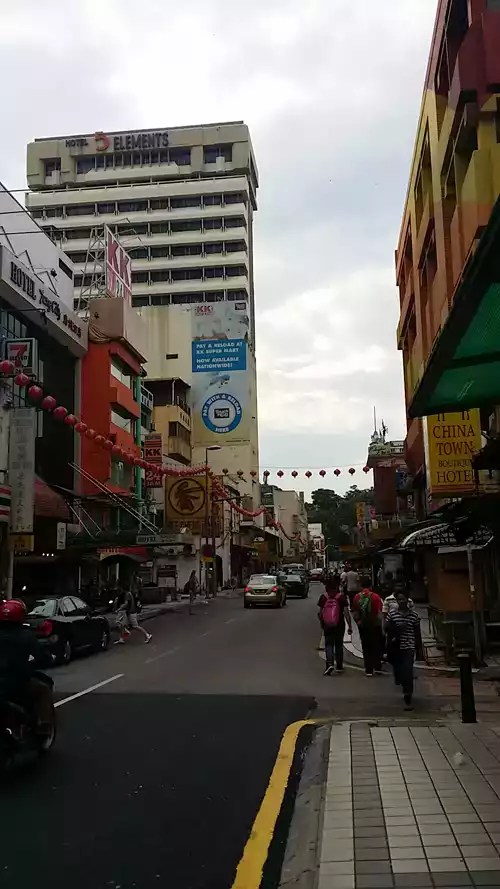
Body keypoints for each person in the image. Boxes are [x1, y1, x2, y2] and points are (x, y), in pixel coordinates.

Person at [0, 598, 54, 730]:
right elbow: (40, 655)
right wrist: (49, 659)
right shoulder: (26, 636)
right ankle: (44, 726)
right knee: (44, 690)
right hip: (16, 682)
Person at [386, 591, 423, 710]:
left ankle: (408, 695)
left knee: (408, 671)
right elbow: (387, 629)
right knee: (399, 671)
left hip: (409, 646)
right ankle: (401, 681)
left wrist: (419, 650)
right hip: (396, 647)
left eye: (403, 599)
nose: (401, 601)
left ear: (408, 600)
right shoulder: (392, 614)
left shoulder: (414, 616)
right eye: (399, 599)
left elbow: (417, 633)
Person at [318, 576, 352, 675]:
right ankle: (339, 665)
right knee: (338, 644)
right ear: (337, 587)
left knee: (328, 644)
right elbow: (346, 612)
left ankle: (329, 664)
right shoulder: (341, 597)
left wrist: (322, 623)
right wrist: (350, 625)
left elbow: (320, 613)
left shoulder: (323, 597)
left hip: (327, 625)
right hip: (339, 624)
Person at [352, 575, 384, 676]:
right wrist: (381, 626)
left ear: (361, 585)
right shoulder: (376, 597)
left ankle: (368, 669)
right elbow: (379, 613)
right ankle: (377, 667)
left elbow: (355, 613)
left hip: (363, 624)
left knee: (366, 646)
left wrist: (358, 622)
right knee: (377, 645)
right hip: (374, 624)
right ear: (370, 585)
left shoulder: (357, 597)